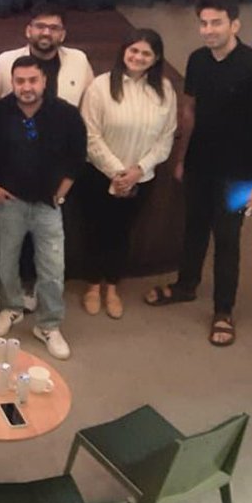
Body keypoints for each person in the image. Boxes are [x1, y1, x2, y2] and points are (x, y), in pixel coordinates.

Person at [145, 0, 252, 347]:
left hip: (240, 175)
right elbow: (190, 111)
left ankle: (223, 310)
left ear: (234, 25)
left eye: (216, 23)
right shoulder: (197, 60)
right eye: (204, 23)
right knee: (193, 228)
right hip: (200, 165)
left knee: (227, 238)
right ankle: (185, 286)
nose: (208, 30)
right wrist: (182, 158)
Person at [0, 56, 86, 360]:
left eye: (32, 80)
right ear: (12, 82)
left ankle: (48, 325)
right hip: (9, 202)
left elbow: (77, 157)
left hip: (47, 205)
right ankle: (11, 307)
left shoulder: (65, 114)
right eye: (20, 81)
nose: (26, 87)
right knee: (6, 262)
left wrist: (61, 194)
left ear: (44, 81)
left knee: (52, 269)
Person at [79, 30, 176, 319]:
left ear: (156, 58)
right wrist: (117, 171)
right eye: (134, 50)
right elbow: (90, 135)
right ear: (124, 51)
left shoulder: (165, 90)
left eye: (146, 53)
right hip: (99, 174)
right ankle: (92, 286)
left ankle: (112, 287)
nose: (138, 57)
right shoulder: (100, 86)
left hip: (141, 177)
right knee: (96, 230)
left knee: (123, 233)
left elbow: (166, 137)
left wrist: (138, 170)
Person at [0, 4, 94, 106]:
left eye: (54, 28)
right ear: (28, 31)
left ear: (62, 35)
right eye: (40, 26)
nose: (46, 33)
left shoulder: (79, 61)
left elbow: (89, 106)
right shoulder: (3, 63)